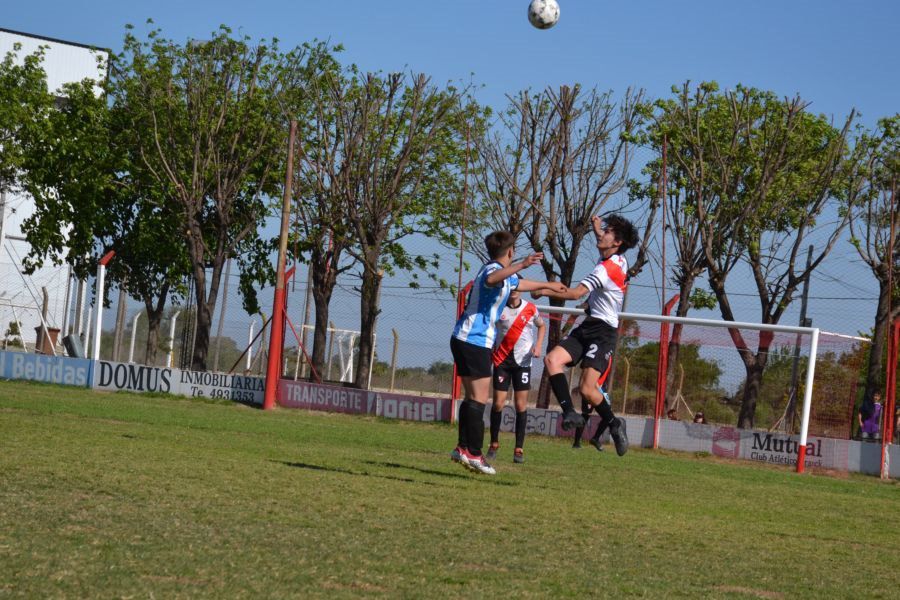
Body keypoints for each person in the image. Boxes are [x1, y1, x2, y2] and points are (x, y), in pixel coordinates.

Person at [450, 231, 566, 475]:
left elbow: (521, 283)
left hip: (465, 338)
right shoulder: (491, 270)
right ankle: (474, 453)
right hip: (474, 341)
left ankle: (462, 448)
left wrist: (547, 285)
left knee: (472, 398)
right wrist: (522, 264)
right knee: (479, 400)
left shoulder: (506, 277)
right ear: (510, 252)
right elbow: (493, 279)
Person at [533, 214, 639, 457]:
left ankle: (614, 424)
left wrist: (544, 288)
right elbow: (604, 240)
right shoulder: (618, 258)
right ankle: (569, 412)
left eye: (608, 232)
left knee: (588, 389)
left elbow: (575, 293)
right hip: (588, 326)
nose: (602, 234)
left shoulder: (605, 269)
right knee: (552, 360)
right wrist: (596, 228)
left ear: (617, 242)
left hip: (603, 333)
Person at [486, 290, 546, 464]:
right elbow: (489, 327)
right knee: (498, 403)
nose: (514, 291)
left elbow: (542, 326)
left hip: (523, 362)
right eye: (511, 287)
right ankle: (494, 444)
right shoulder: (498, 308)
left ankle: (519, 449)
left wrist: (538, 345)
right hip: (501, 361)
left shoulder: (530, 308)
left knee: (520, 405)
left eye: (517, 288)